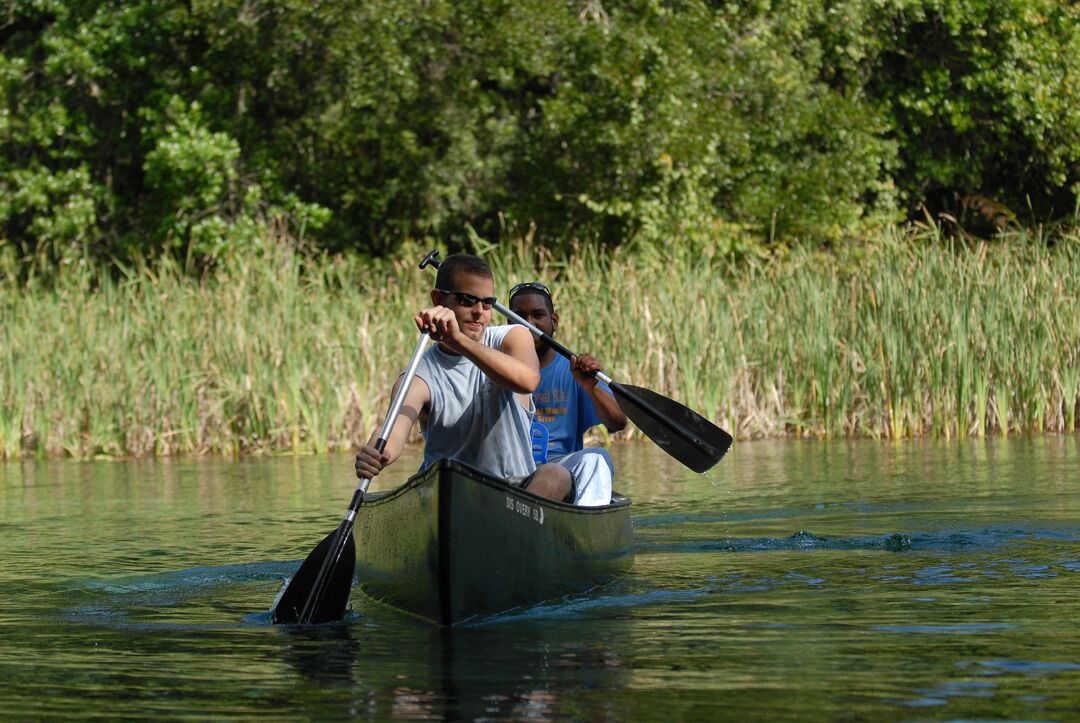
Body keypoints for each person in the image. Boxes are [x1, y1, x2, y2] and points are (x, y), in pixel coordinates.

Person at [354, 254, 573, 502]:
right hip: (450, 494)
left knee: (557, 474)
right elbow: (393, 430)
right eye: (467, 300)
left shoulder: (512, 336)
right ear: (438, 299)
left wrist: (457, 340)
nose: (479, 312)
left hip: (514, 492)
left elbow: (527, 380)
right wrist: (375, 455)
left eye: (487, 302)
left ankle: (520, 529)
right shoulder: (419, 375)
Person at [508, 282, 627, 506]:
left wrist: (590, 386)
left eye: (538, 315)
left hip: (561, 467)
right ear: (508, 323)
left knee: (598, 458)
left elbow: (617, 422)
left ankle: (588, 527)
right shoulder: (494, 364)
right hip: (506, 468)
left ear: (554, 322)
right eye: (520, 316)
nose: (529, 324)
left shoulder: (572, 369)